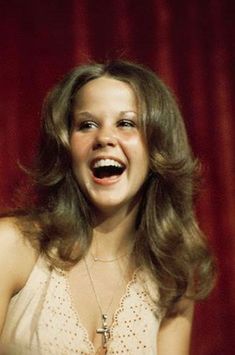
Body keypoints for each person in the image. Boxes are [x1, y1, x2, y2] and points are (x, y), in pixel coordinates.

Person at [0, 60, 215, 354]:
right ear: (66, 147)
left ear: (157, 149)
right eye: (86, 125)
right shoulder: (10, 246)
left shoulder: (172, 276)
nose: (104, 138)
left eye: (126, 123)